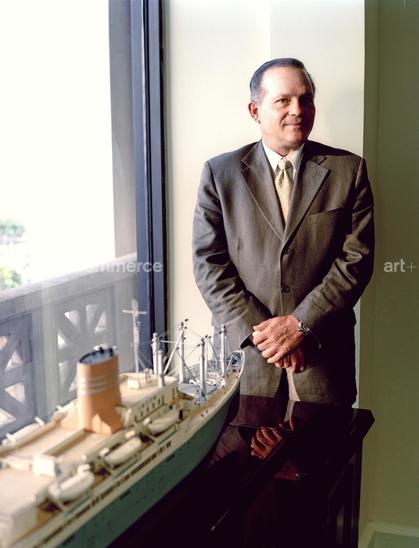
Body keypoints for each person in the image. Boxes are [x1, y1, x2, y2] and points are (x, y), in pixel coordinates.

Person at [192, 58, 374, 406]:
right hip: (246, 362)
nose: (298, 110)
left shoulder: (349, 171)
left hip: (323, 360)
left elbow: (356, 261)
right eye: (283, 100)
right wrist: (270, 338)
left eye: (306, 99)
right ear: (255, 111)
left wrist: (300, 325)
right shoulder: (220, 174)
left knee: (327, 444)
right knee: (243, 444)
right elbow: (209, 266)